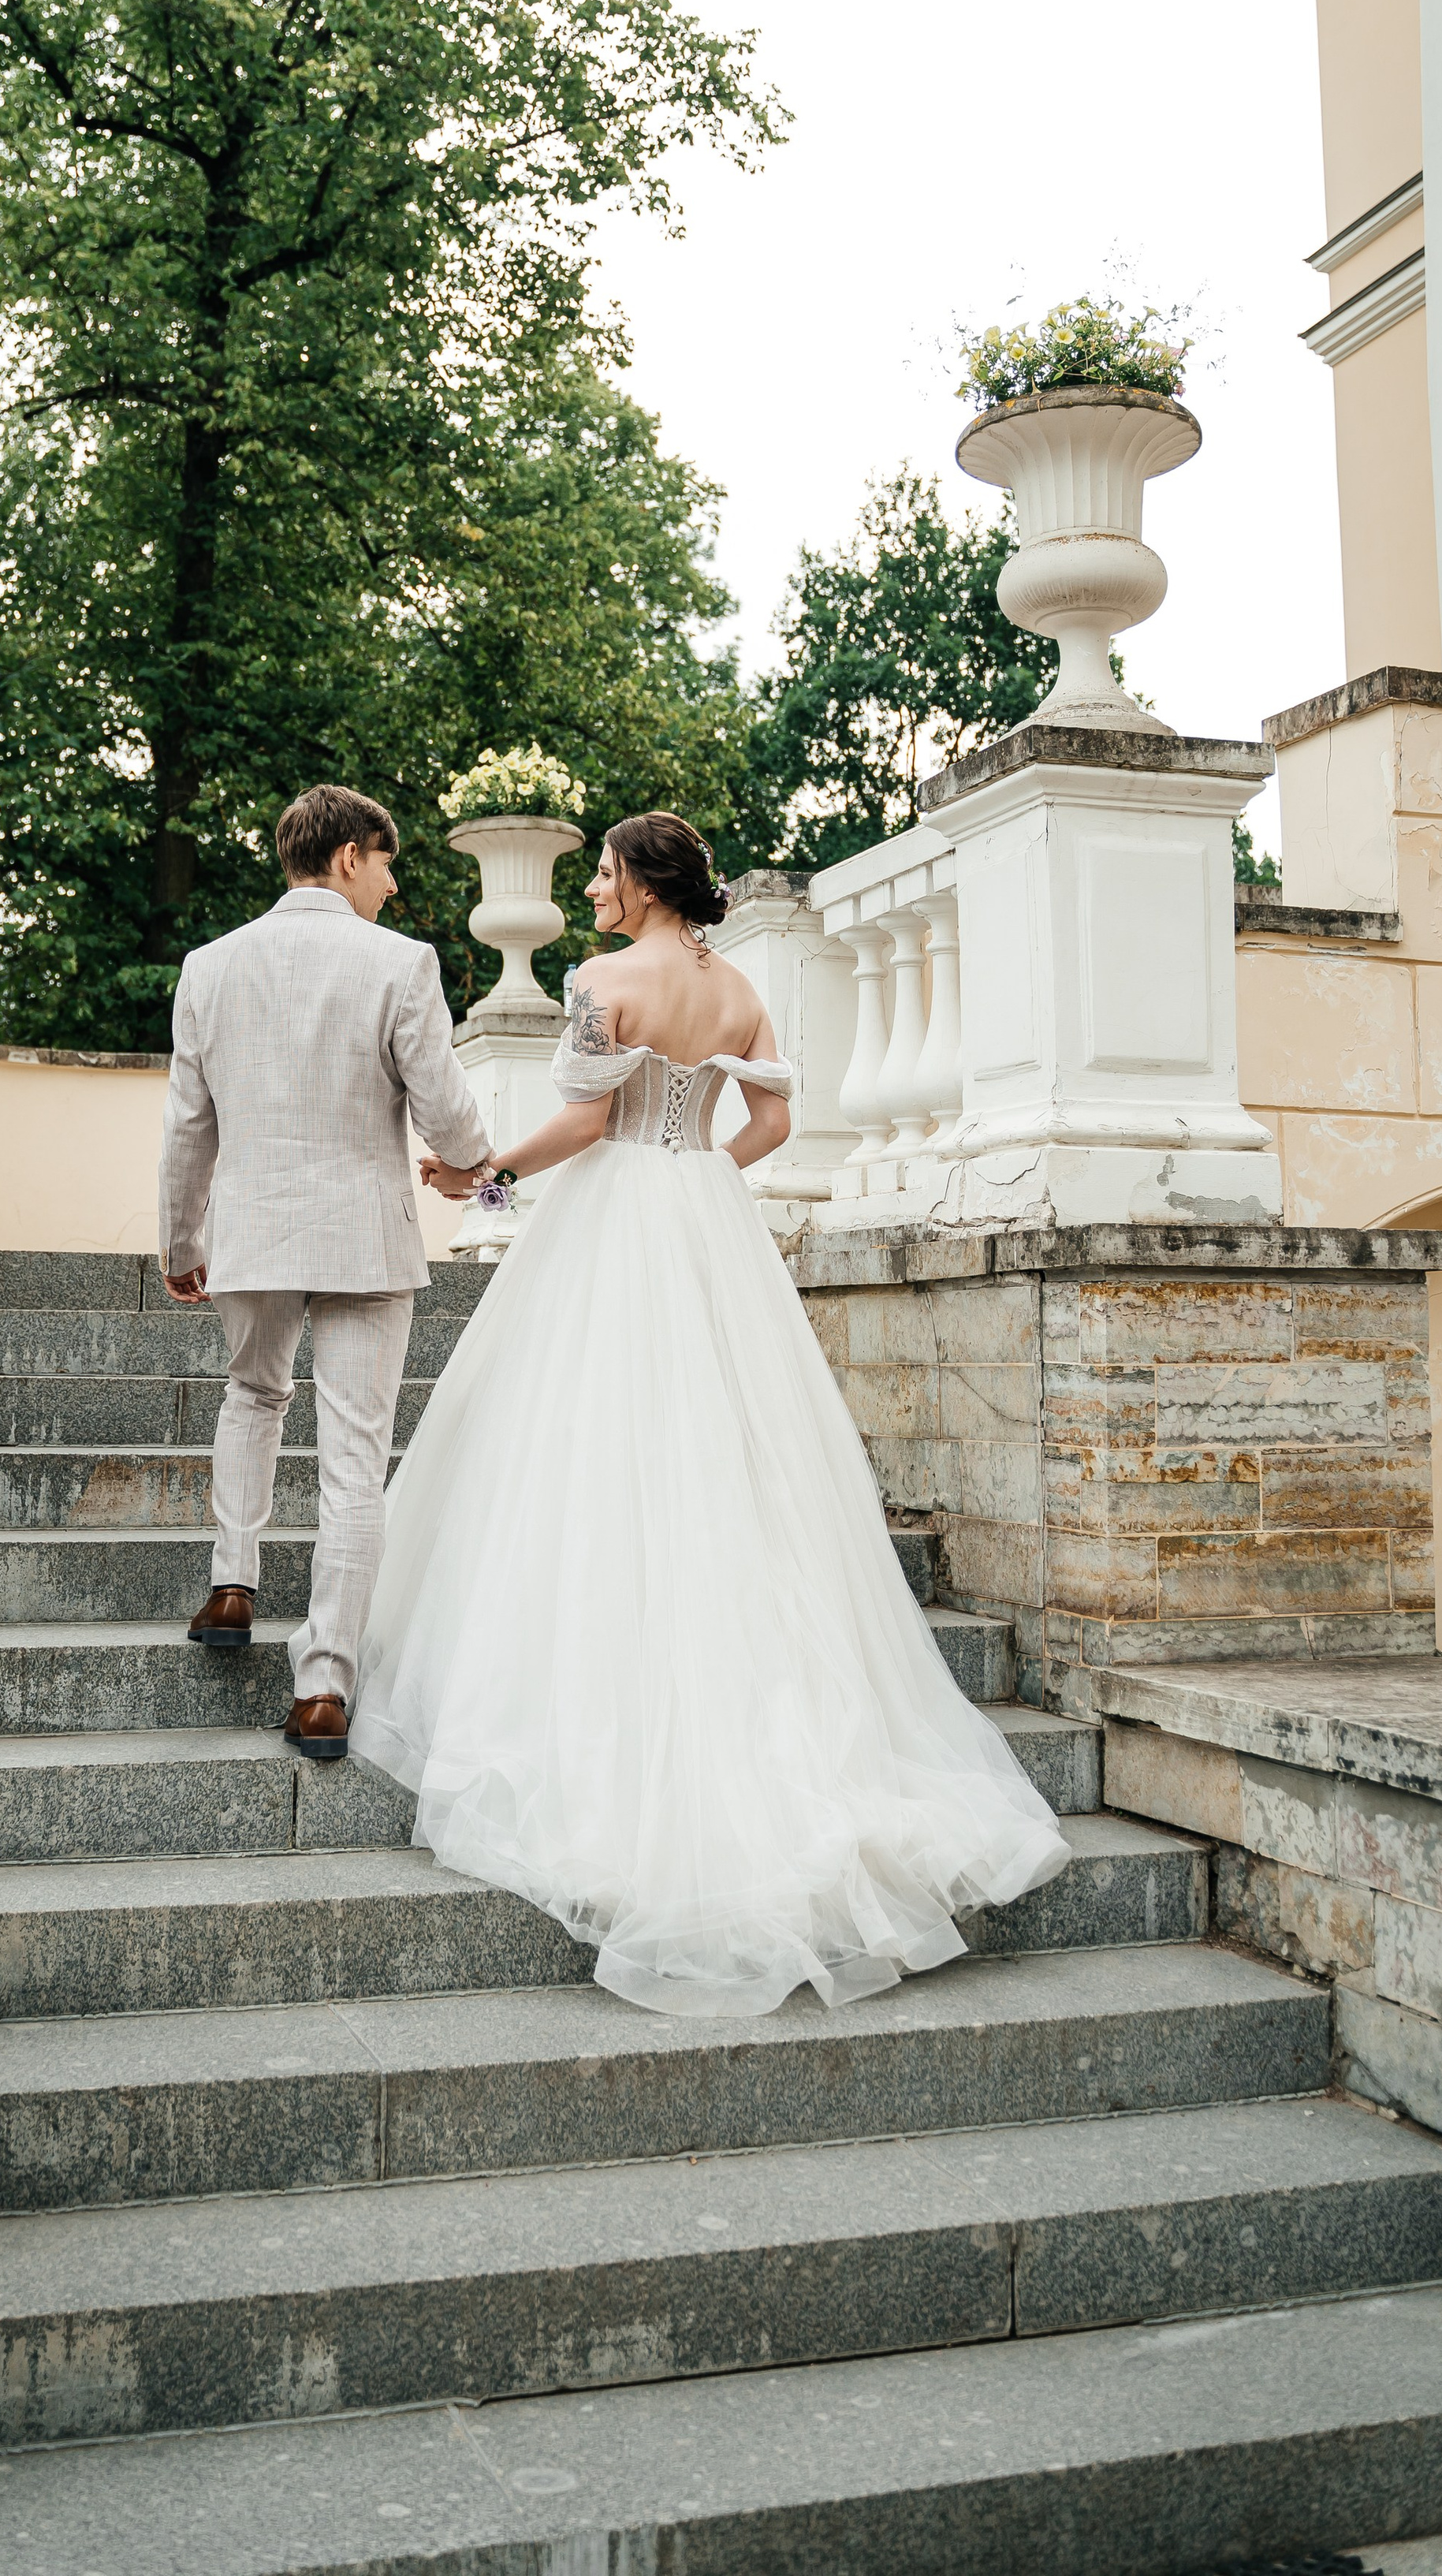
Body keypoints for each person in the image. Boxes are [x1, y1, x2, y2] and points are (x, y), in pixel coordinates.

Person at [350, 809, 1070, 2018]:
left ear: (641, 882)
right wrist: (694, 1184)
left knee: (582, 1441)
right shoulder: (736, 990)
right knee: (733, 1455)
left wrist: (487, 1176)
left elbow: (584, 1120)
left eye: (602, 873)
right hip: (700, 1214)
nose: (590, 890)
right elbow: (774, 1123)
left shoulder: (601, 982)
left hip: (615, 1213)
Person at [158, 783, 491, 1762]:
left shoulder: (209, 967)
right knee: (354, 1458)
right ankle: (322, 1688)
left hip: (252, 1232)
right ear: (347, 855)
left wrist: (182, 1243)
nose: (391, 884)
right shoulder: (398, 964)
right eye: (386, 862)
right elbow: (446, 1107)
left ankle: (231, 1583)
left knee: (252, 1395)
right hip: (363, 1237)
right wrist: (473, 1162)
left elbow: (188, 1125)